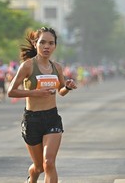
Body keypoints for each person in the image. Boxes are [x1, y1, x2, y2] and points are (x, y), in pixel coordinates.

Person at [7, 27, 77, 183]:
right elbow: (11, 91)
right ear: (35, 43)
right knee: (39, 167)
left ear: (55, 46)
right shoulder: (27, 66)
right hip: (32, 120)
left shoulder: (57, 67)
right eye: (43, 42)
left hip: (52, 117)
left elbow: (61, 91)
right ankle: (31, 178)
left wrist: (68, 87)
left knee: (49, 163)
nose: (47, 46)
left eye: (51, 43)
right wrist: (35, 93)